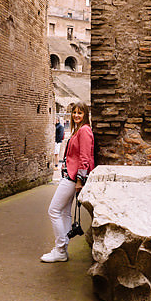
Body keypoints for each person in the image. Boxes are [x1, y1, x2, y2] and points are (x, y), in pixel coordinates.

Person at [41, 102, 94, 262]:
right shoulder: (79, 130)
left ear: (85, 115)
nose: (76, 115)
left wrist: (79, 180)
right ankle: (62, 250)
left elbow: (85, 158)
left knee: (54, 211)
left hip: (72, 178)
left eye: (80, 113)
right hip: (70, 176)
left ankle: (60, 249)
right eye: (74, 113)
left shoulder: (84, 131)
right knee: (63, 212)